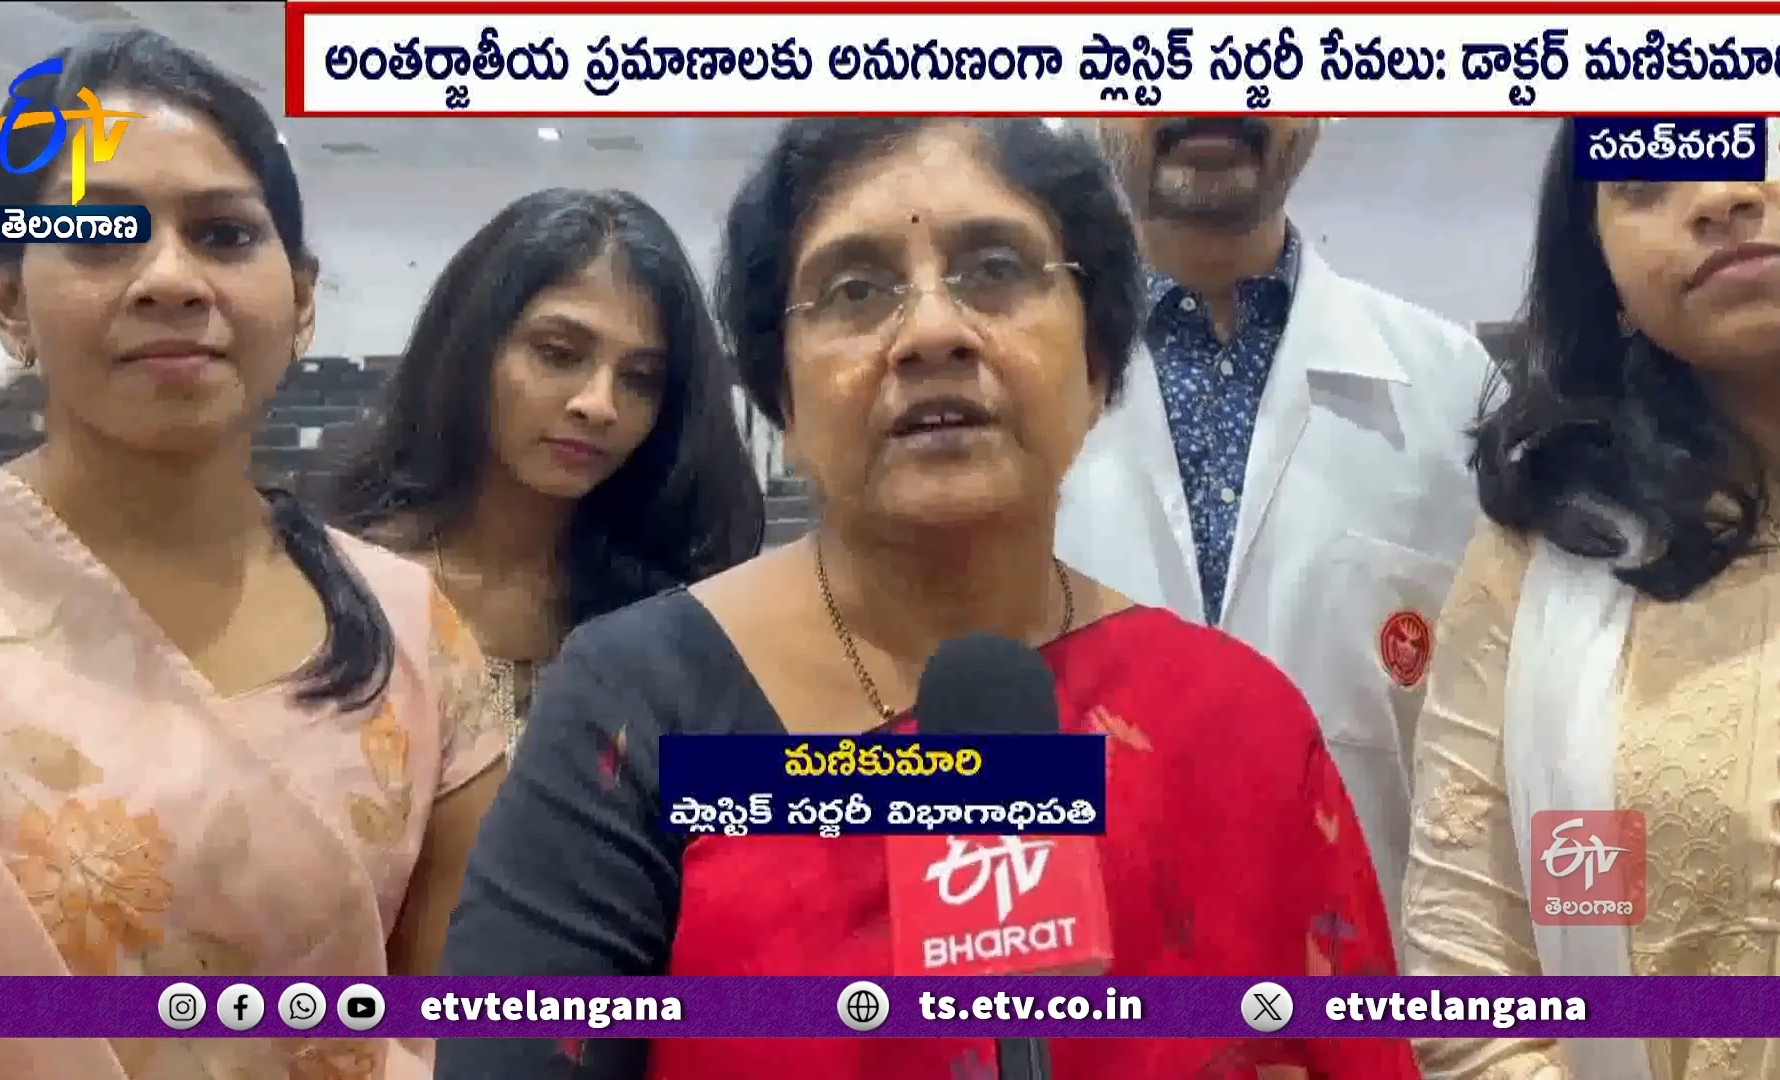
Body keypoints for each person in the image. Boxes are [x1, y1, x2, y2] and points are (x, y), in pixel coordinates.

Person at [434, 117, 1421, 1080]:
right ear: (781, 395)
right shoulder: (634, 709)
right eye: (856, 289)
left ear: (1099, 363)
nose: (933, 332)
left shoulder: (1240, 720)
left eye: (996, 268)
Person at [0, 31, 505, 1080]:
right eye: (98, 236)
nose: (169, 278)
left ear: (302, 296)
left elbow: (466, 1030)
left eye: (225, 234)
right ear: (6, 295)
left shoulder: (411, 626)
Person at [1404, 122, 1780, 1080]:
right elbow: (1469, 1005)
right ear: (1600, 271)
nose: (1719, 196)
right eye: (1646, 179)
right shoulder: (1539, 563)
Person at [1057, 116, 1495, 922]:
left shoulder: (1458, 393)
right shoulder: (1000, 388)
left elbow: (1506, 759)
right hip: (1081, 982)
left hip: (1384, 979)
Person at [332, 188, 765, 758]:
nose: (599, 405)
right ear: (469, 346)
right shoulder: (349, 584)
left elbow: (722, 796)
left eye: (640, 379)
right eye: (559, 353)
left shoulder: (675, 607)